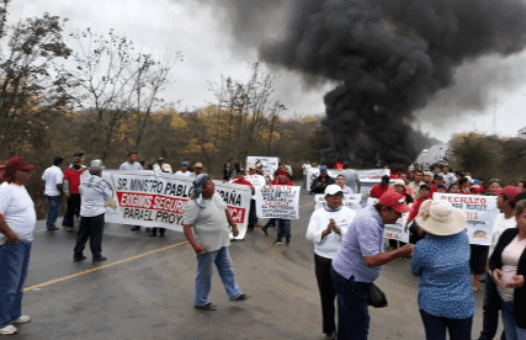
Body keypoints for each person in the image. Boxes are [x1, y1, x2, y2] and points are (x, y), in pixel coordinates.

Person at [331, 191, 414, 340]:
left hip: (347, 273)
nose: (400, 217)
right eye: (397, 213)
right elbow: (370, 260)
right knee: (358, 325)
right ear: (385, 210)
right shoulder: (369, 222)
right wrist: (400, 252)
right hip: (351, 278)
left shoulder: (372, 212)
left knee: (348, 319)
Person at [182, 174, 249, 311]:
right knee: (205, 274)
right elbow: (186, 226)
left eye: (213, 184)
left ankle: (234, 293)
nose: (213, 187)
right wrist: (195, 245)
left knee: (227, 269)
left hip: (222, 241)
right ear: (202, 189)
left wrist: (234, 226)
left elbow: (225, 210)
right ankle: (200, 301)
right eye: (209, 185)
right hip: (207, 246)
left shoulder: (216, 196)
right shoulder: (193, 205)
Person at [411, 199, 473, 340]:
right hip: (462, 304)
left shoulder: (422, 247)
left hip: (432, 304)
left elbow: (415, 271)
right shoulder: (463, 238)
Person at [306, 184, 356, 340]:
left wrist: (339, 230)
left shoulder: (350, 213)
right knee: (326, 297)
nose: (337, 199)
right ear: (326, 198)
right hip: (323, 260)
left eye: (339, 196)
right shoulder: (318, 214)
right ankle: (329, 330)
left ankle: (345, 330)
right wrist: (325, 232)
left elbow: (355, 235)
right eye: (334, 196)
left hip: (343, 259)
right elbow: (309, 236)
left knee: (345, 297)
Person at [477, 186, 521, 340]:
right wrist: (489, 264)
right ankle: (486, 336)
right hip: (492, 272)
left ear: (508, 201)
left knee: (508, 309)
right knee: (489, 308)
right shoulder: (498, 217)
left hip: (509, 276)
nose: (496, 198)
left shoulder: (518, 223)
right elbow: (493, 244)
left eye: (500, 196)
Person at [0, 157, 36, 335]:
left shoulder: (21, 188)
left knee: (19, 280)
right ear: (15, 172)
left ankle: (14, 314)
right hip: (12, 244)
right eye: (25, 170)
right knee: (9, 283)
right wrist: (10, 233)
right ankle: (2, 321)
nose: (29, 173)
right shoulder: (5, 189)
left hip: (24, 242)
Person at [490, 199, 526, 340]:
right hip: (505, 298)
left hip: (523, 301)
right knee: (511, 336)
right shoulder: (508, 234)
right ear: (517, 218)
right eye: (525, 216)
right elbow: (494, 258)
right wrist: (495, 270)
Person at [73, 162, 112, 262]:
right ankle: (96, 255)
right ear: (99, 173)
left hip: (85, 211)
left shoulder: (83, 181)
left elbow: (80, 190)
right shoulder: (101, 182)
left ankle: (78, 253)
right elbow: (108, 196)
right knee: (96, 234)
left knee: (82, 233)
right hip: (97, 212)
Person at [62, 153, 88, 232]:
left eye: (78, 162)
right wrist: (66, 191)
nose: (77, 163)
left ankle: (82, 225)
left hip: (82, 193)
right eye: (76, 162)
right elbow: (65, 181)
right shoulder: (68, 170)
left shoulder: (84, 170)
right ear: (74, 162)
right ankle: (70, 225)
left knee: (82, 209)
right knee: (70, 209)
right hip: (72, 193)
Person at [269, 168, 294, 245]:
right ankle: (279, 239)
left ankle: (287, 239)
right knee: (279, 223)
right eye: (281, 174)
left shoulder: (290, 183)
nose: (282, 176)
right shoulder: (276, 183)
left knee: (286, 223)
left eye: (284, 175)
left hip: (287, 207)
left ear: (286, 176)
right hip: (278, 207)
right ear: (278, 175)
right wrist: (270, 186)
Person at [120, 152, 143, 231]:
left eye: (135, 157)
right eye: (132, 156)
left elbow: (142, 175)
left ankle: (137, 224)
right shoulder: (123, 165)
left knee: (136, 206)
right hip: (127, 188)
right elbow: (120, 176)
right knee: (127, 204)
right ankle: (127, 219)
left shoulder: (138, 165)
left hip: (136, 188)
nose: (134, 158)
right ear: (128, 157)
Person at [41, 157, 64, 231]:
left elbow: (43, 179)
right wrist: (62, 192)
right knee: (55, 209)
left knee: (51, 209)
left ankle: (49, 223)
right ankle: (51, 225)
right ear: (60, 164)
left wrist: (47, 187)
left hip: (48, 192)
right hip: (55, 193)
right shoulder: (58, 172)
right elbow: (59, 184)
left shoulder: (47, 169)